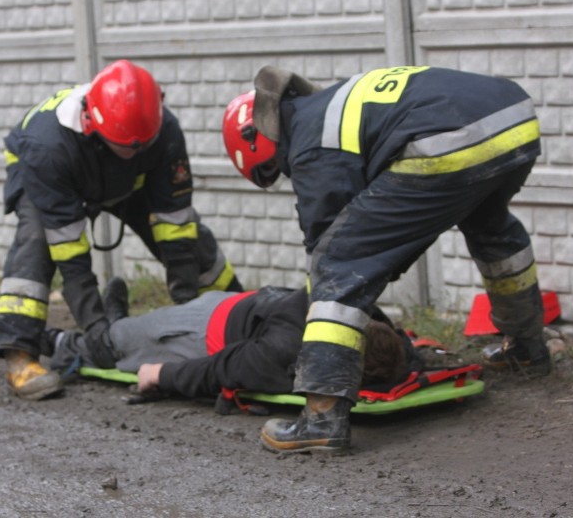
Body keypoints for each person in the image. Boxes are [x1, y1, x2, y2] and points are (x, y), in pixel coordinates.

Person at [221, 65, 550, 453]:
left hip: (445, 141)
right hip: (514, 122)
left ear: (255, 139)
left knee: (336, 265)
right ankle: (528, 349)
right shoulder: (326, 107)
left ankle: (323, 416)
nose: (285, 174)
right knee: (493, 230)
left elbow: (331, 247)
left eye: (272, 169)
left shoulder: (310, 141)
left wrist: (322, 310)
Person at [0, 59, 242, 401]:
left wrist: (188, 304)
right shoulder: (47, 147)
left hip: (123, 178)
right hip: (47, 170)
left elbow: (175, 222)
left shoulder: (162, 131)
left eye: (140, 147)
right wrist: (94, 327)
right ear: (90, 121)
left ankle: (238, 317)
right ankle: (19, 355)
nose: (132, 154)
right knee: (36, 242)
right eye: (126, 147)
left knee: (195, 241)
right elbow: (69, 251)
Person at [47, 277, 420, 413]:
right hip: (198, 329)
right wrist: (159, 373)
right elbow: (221, 369)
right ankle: (50, 339)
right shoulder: (281, 351)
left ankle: (114, 318)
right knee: (106, 348)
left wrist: (163, 373)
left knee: (127, 334)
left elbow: (218, 368)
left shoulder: (359, 309)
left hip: (234, 308)